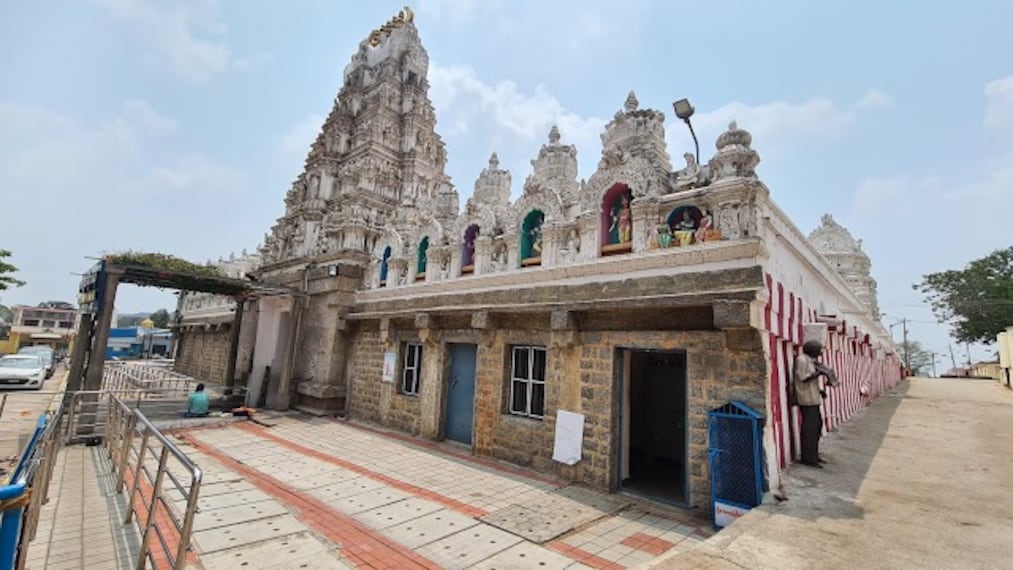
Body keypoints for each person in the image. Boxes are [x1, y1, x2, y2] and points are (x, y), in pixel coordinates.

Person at [793, 340, 834, 468]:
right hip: (806, 399)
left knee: (816, 427)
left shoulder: (810, 361)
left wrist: (820, 390)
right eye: (819, 349)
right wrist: (820, 373)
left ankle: (813, 454)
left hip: (813, 398)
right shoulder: (802, 360)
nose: (820, 352)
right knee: (810, 429)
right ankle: (808, 458)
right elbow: (803, 378)